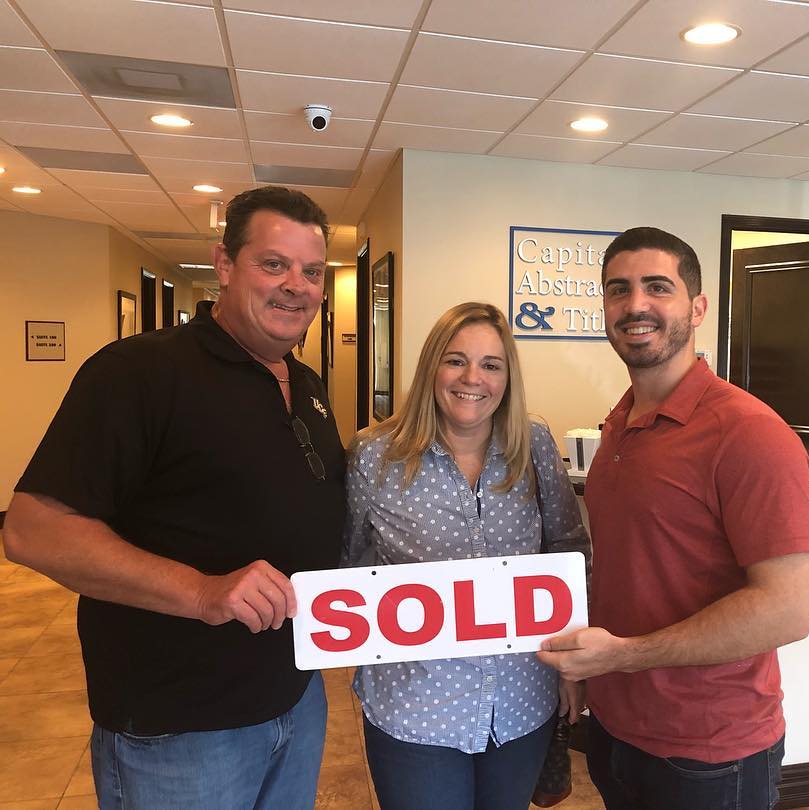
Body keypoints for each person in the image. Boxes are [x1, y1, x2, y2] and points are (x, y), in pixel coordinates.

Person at [4, 186, 345, 809]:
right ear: (224, 263)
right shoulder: (140, 372)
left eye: (312, 271)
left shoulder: (307, 385)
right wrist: (202, 591)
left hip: (296, 701)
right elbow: (32, 528)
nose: (296, 285)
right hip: (182, 728)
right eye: (273, 264)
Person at [537, 227, 809, 810]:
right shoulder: (617, 424)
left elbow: (786, 610)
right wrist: (589, 665)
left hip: (709, 754)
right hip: (618, 730)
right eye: (619, 290)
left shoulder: (750, 434)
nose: (636, 305)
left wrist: (622, 655)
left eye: (657, 287)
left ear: (696, 307)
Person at [344, 301, 590, 810]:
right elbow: (349, 567)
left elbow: (567, 550)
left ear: (507, 377)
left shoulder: (534, 444)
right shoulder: (375, 455)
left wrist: (571, 668)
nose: (472, 378)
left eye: (491, 365)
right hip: (415, 706)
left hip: (522, 701)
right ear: (432, 365)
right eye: (456, 360)